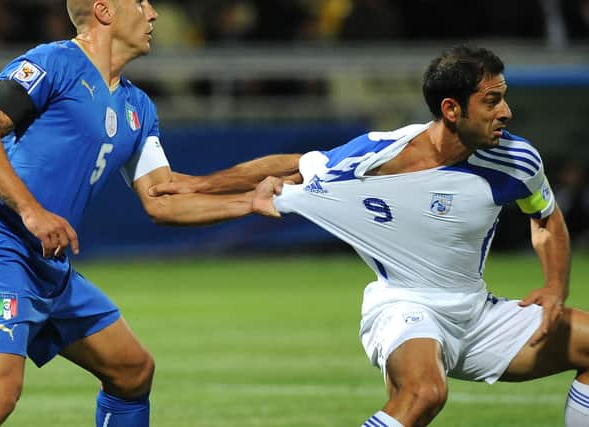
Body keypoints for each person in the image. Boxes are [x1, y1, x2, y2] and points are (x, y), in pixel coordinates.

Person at [150, 45, 589, 426]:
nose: (506, 113)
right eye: (492, 101)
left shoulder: (515, 160)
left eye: (504, 98)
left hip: (478, 315)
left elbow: (546, 219)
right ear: (452, 110)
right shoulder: (382, 156)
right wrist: (199, 184)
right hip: (405, 307)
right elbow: (294, 165)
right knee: (425, 394)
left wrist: (555, 287)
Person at [0, 1, 287, 426]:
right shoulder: (52, 63)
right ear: (105, 11)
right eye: (140, 2)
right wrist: (32, 212)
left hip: (48, 265)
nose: (153, 14)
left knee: (132, 371)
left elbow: (161, 198)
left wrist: (247, 202)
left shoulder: (138, 108)